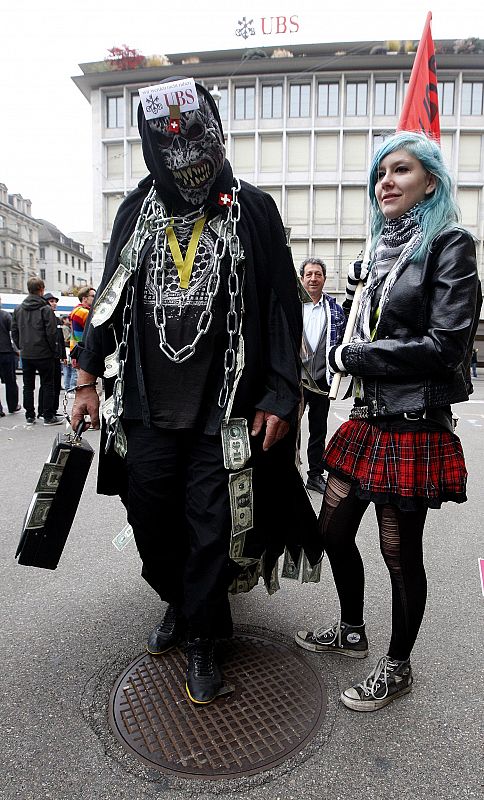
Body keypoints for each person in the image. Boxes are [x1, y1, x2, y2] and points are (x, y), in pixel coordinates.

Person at [71, 77, 320, 705]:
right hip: (149, 408)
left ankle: (205, 632)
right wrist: (83, 377)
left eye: (195, 138)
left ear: (216, 134)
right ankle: (180, 599)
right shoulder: (137, 212)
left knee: (213, 526)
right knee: (150, 516)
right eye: (167, 141)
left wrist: (281, 394)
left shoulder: (254, 210)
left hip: (226, 409)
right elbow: (106, 300)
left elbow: (281, 308)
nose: (184, 154)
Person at [295, 131, 481, 712]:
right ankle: (353, 630)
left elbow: (448, 343)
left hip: (415, 423)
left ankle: (397, 665)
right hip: (368, 418)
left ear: (430, 180)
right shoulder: (378, 252)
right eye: (380, 174)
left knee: (400, 553)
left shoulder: (451, 244)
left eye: (400, 171)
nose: (387, 183)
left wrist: (358, 357)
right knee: (330, 531)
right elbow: (366, 323)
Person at [299, 258, 345, 493]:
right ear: (302, 278)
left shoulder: (335, 310)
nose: (313, 278)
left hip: (321, 381)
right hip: (295, 380)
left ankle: (315, 475)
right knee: (289, 430)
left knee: (318, 431)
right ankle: (288, 474)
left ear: (324, 279)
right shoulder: (292, 306)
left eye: (318, 274)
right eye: (309, 274)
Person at [11, 277, 63, 426]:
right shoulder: (45, 309)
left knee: (28, 385)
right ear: (41, 289)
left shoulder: (18, 309)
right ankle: (47, 415)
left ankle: (29, 415)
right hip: (44, 353)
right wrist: (53, 350)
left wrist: (20, 346)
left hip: (27, 353)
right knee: (47, 384)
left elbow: (14, 331)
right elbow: (51, 333)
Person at [38, 293, 67, 416]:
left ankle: (53, 409)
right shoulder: (43, 318)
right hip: (49, 355)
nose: (54, 303)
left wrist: (63, 355)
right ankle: (44, 410)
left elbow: (60, 338)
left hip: (56, 355)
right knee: (47, 384)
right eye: (51, 301)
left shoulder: (56, 318)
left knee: (55, 383)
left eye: (55, 301)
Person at [0, 296, 21, 417]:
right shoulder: (5, 315)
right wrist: (16, 349)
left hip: (6, 351)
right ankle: (12, 405)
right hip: (6, 352)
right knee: (11, 381)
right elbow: (13, 332)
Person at [69, 286, 96, 371]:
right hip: (83, 351)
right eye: (93, 296)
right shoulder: (83, 312)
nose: (95, 298)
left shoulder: (76, 310)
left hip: (77, 350)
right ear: (84, 298)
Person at [61, 316, 77, 391]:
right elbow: (67, 338)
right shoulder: (65, 328)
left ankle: (67, 386)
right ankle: (70, 387)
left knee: (67, 369)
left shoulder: (65, 327)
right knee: (71, 369)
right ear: (64, 320)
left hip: (66, 349)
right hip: (68, 349)